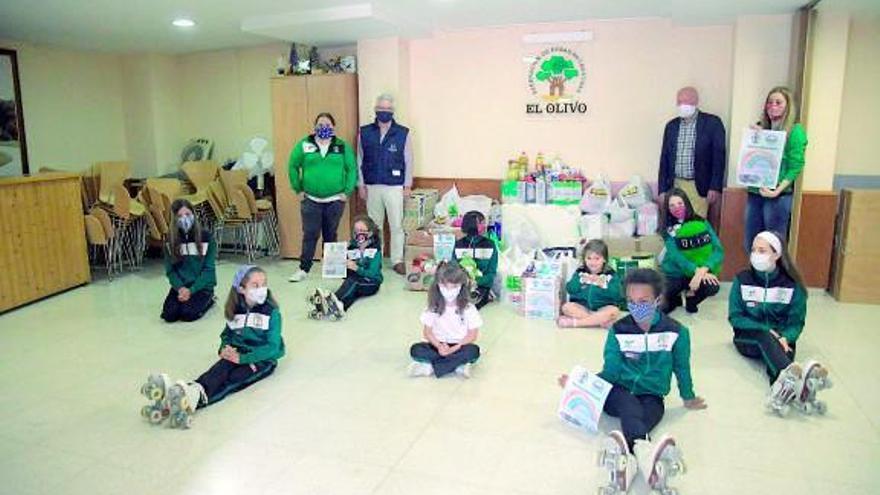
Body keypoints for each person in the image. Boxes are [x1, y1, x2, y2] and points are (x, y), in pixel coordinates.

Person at [558, 269, 706, 493]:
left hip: (652, 395)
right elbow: (610, 372)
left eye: (643, 301)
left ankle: (627, 466)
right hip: (617, 392)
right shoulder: (618, 330)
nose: (637, 307)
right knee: (628, 404)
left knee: (645, 415)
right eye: (631, 301)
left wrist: (688, 396)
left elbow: (681, 368)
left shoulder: (676, 332)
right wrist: (580, 384)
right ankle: (648, 457)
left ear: (657, 300)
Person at [140, 265, 284, 428]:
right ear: (242, 289)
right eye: (255, 285)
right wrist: (225, 348)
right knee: (218, 371)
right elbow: (227, 335)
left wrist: (243, 358)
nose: (262, 289)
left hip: (263, 360)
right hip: (238, 352)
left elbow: (273, 347)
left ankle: (194, 399)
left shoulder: (272, 313)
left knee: (233, 380)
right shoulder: (236, 310)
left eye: (264, 284)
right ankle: (187, 391)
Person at [729, 231, 831, 416]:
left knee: (781, 354)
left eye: (762, 250)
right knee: (766, 339)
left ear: (776, 254)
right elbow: (735, 317)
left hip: (783, 339)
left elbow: (796, 323)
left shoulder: (792, 286)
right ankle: (801, 386)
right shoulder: (742, 279)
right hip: (749, 337)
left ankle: (785, 391)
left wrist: (786, 337)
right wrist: (767, 330)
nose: (756, 254)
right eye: (753, 250)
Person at [288, 112, 357, 283]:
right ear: (314, 127)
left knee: (330, 234)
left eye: (327, 124)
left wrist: (346, 192)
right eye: (320, 124)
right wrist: (298, 189)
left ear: (333, 128)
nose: (323, 127)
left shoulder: (341, 146)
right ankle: (304, 269)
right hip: (311, 199)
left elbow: (352, 169)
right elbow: (292, 165)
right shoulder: (305, 144)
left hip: (334, 200)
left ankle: (332, 269)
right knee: (310, 234)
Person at [744, 86, 808, 252]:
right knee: (751, 242)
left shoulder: (795, 131)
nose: (773, 106)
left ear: (788, 106)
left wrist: (777, 190)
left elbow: (796, 166)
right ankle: (756, 277)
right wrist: (755, 137)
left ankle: (772, 278)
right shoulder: (761, 128)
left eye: (778, 102)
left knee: (773, 245)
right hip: (756, 193)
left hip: (778, 196)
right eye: (770, 102)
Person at [357, 93, 414, 276]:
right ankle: (376, 259)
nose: (384, 112)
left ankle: (397, 260)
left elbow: (409, 160)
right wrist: (361, 184)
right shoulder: (364, 132)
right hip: (372, 186)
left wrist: (407, 185)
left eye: (388, 109)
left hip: (395, 186)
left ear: (393, 111)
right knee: (375, 226)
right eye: (381, 109)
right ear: (375, 110)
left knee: (397, 225)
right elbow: (359, 159)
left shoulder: (402, 133)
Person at [658, 86, 727, 219]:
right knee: (676, 224)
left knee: (696, 225)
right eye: (679, 102)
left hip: (699, 186)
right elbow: (664, 159)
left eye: (686, 102)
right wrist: (662, 190)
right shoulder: (671, 126)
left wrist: (715, 186)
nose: (682, 105)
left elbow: (719, 158)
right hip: (675, 184)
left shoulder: (712, 123)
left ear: (696, 102)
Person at [408, 261, 481, 379]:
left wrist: (454, 348)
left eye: (454, 287)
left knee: (473, 351)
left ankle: (431, 367)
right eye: (445, 286)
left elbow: (472, 335)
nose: (449, 291)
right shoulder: (433, 306)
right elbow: (427, 332)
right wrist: (439, 346)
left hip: (459, 345)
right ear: (438, 286)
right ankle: (456, 365)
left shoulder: (468, 308)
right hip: (437, 344)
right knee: (416, 349)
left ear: (462, 286)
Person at [659, 187, 724, 314]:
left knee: (713, 286)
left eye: (680, 203)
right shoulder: (667, 229)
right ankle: (677, 299)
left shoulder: (702, 222)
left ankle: (691, 300)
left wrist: (703, 270)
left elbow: (717, 250)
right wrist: (696, 271)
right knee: (663, 308)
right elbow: (676, 257)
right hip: (675, 273)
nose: (676, 208)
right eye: (671, 205)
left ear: (686, 203)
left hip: (699, 271)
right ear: (667, 209)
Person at [308, 215, 383, 320]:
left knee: (353, 282)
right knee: (352, 289)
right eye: (356, 230)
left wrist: (357, 268)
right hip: (356, 277)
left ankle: (332, 301)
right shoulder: (351, 247)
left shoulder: (375, 251)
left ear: (370, 233)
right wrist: (329, 261)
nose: (358, 233)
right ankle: (338, 307)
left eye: (362, 230)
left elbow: (372, 273)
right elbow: (341, 265)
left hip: (372, 282)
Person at [161, 199, 216, 322]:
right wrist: (180, 288)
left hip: (202, 287)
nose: (184, 218)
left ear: (193, 215)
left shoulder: (206, 237)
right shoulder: (170, 241)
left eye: (187, 214)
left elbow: (208, 270)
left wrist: (191, 290)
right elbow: (170, 271)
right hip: (181, 287)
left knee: (188, 314)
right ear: (174, 219)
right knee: (169, 315)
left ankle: (210, 299)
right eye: (179, 216)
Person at [557, 239, 623, 328]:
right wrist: (580, 282)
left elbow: (618, 295)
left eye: (597, 258)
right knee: (566, 307)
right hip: (583, 308)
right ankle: (599, 322)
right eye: (589, 258)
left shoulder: (610, 274)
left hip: (603, 308)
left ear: (604, 259)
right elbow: (570, 289)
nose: (593, 262)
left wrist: (604, 285)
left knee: (614, 311)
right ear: (584, 259)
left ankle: (576, 323)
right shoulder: (580, 272)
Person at [452, 211, 498, 309]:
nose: (485, 225)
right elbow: (453, 270)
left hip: (481, 287)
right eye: (482, 223)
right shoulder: (458, 244)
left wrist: (477, 281)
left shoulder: (489, 244)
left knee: (471, 305)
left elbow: (491, 274)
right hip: (461, 286)